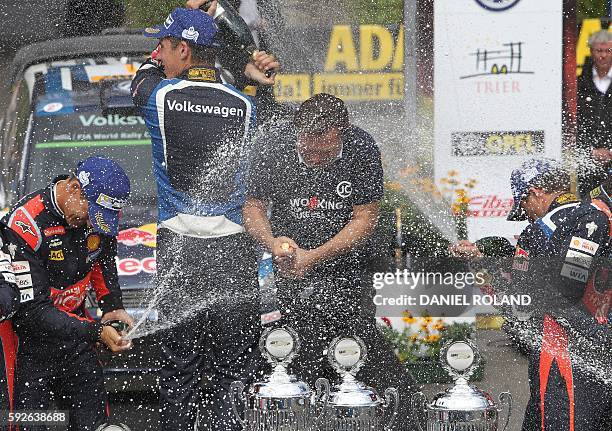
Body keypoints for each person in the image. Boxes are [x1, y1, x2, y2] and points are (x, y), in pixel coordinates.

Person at [131, 2, 279, 430]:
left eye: (162, 45)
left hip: (181, 248)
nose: (157, 53)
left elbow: (139, 82)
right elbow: (269, 119)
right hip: (234, 251)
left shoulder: (160, 96)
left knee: (179, 368)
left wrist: (153, 59)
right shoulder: (244, 104)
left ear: (183, 50)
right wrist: (257, 83)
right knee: (237, 367)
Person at [243, 93, 418, 431]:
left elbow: (365, 219)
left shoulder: (361, 146)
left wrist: (314, 257)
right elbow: (253, 208)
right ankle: (306, 419)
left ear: (342, 131)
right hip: (290, 268)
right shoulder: (274, 144)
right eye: (306, 148)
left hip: (349, 268)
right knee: (300, 352)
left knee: (359, 349)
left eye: (322, 150)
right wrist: (274, 243)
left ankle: (394, 416)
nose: (313, 156)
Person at [0, 156, 133, 431]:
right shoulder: (25, 223)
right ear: (74, 188)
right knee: (29, 425)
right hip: (28, 343)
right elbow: (33, 312)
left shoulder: (98, 213)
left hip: (75, 335)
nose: (92, 222)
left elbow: (102, 258)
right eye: (91, 213)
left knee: (95, 424)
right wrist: (97, 332)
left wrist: (112, 306)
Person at [502, 158, 611, 430]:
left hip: (562, 356)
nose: (527, 214)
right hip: (599, 349)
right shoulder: (598, 215)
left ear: (537, 191)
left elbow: (527, 299)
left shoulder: (541, 230)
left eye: (524, 204)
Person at [577, 30, 612, 196]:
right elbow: (573, 124)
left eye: (608, 51)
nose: (603, 55)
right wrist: (590, 151)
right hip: (588, 167)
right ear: (591, 51)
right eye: (599, 51)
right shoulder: (578, 83)